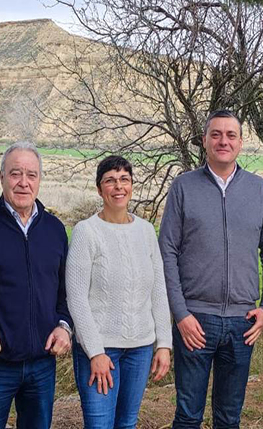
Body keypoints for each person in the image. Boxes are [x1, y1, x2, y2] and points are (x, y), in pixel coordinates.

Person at [159, 109, 263, 428]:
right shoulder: (183, 187)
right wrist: (181, 313)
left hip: (243, 322)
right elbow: (167, 251)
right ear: (204, 141)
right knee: (188, 415)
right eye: (216, 134)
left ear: (241, 143)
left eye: (230, 135)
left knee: (229, 417)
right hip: (195, 320)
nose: (223, 141)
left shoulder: (257, 190)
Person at [0, 141, 72, 429]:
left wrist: (64, 325)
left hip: (42, 365)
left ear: (39, 180)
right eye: (15, 174)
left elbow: (64, 291)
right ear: (1, 177)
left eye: (31, 175)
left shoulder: (55, 230)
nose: (23, 183)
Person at [66, 155, 172, 429]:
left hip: (140, 347)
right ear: (99, 189)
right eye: (110, 181)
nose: (118, 187)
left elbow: (159, 290)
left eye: (124, 179)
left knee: (127, 424)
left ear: (132, 186)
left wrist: (163, 343)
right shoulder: (86, 232)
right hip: (101, 349)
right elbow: (76, 298)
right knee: (100, 425)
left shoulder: (147, 231)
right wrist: (95, 352)